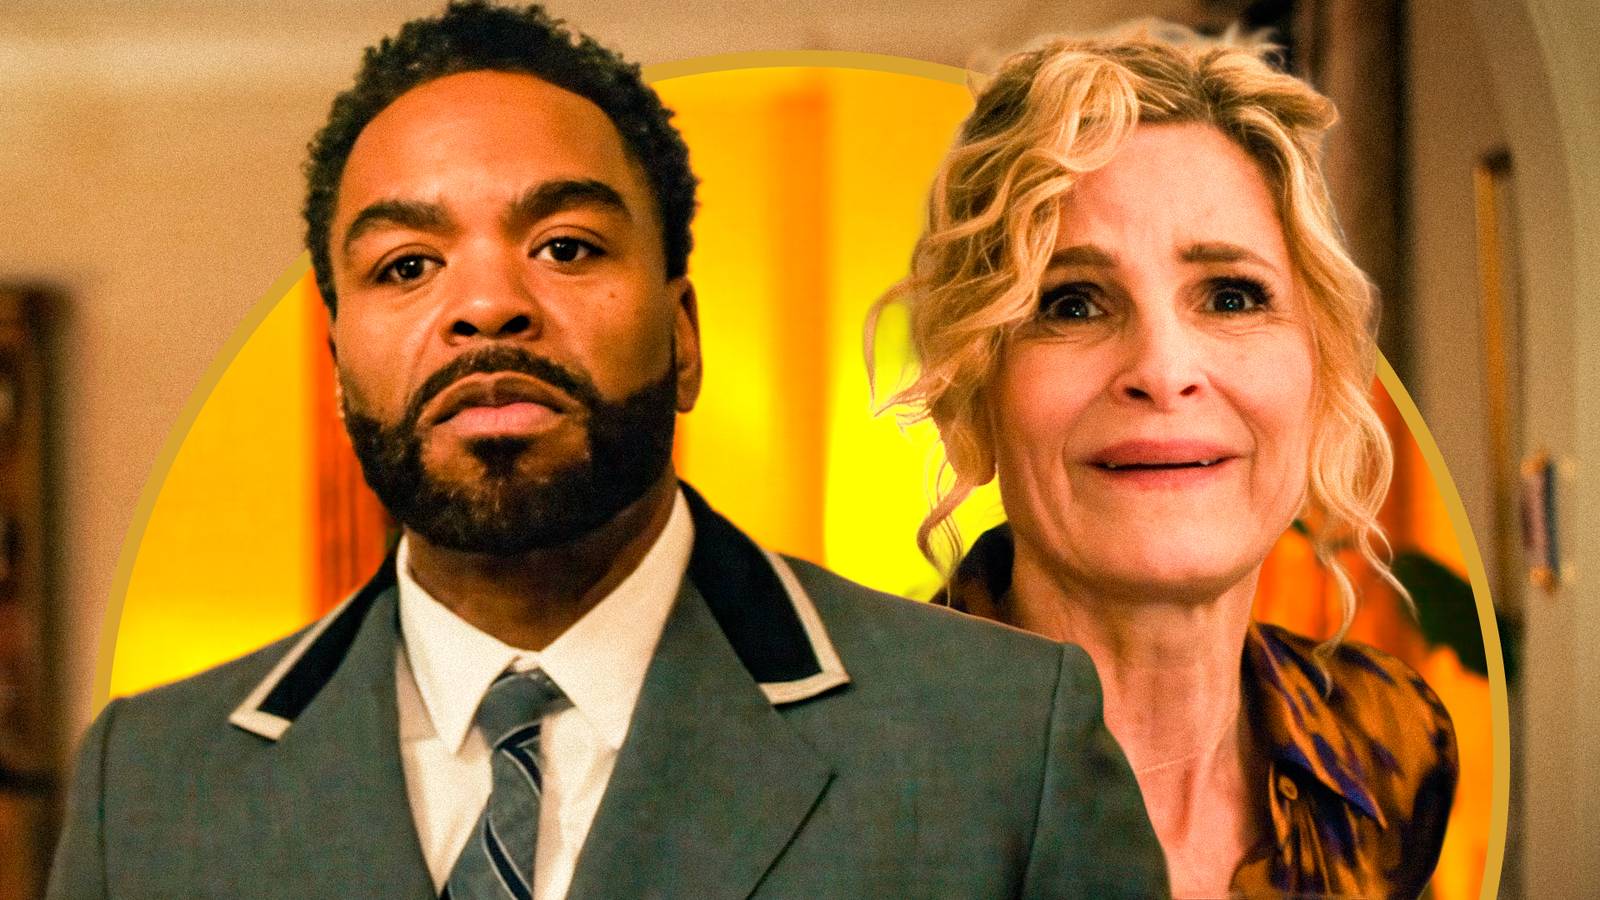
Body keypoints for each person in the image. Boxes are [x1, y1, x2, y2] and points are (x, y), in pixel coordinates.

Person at [46, 3, 1167, 898]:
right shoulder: (146, 789)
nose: (487, 304)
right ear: (337, 366)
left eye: (566, 246)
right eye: (406, 266)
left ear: (683, 339)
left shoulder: (997, 743)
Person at [871, 26, 1458, 900]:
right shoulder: (838, 788)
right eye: (1072, 304)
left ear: (1322, 371)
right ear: (973, 394)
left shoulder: (1388, 745)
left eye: (1232, 296)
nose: (1162, 369)